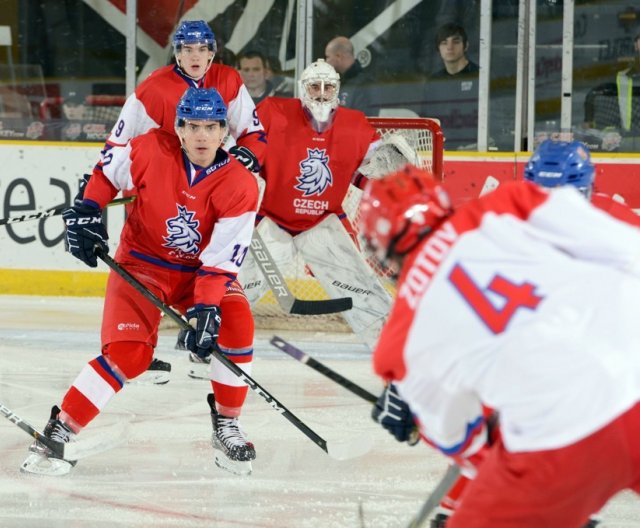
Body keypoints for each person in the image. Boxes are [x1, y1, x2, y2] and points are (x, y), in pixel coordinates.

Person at [359, 164, 640, 527]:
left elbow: (463, 441)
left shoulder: (399, 343)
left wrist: (420, 422)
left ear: (380, 245)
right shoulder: (510, 201)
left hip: (560, 440)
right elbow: (628, 250)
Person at [21, 87, 260, 478]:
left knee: (234, 322)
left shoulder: (240, 184)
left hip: (199, 274)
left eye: (212, 127)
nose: (202, 135)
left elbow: (219, 264)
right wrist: (87, 210)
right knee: (128, 354)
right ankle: (60, 427)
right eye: (193, 126)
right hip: (141, 265)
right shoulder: (148, 148)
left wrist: (206, 309)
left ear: (224, 133)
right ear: (179, 129)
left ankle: (227, 423)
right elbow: (103, 174)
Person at [102, 19, 267, 382]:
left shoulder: (228, 81)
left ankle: (199, 330)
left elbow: (253, 133)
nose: (195, 56)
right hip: (161, 184)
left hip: (212, 186)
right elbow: (117, 145)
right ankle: (139, 346)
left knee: (208, 260)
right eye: (187, 49)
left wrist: (246, 158)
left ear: (212, 52)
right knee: (158, 264)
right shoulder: (153, 88)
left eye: (202, 49)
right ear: (177, 52)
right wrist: (99, 184)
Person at [238, 59, 398, 349]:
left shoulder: (355, 125)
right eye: (315, 86)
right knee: (237, 287)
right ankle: (210, 345)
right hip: (273, 221)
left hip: (323, 223)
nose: (322, 93)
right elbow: (245, 155)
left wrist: (396, 180)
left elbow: (370, 177)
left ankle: (392, 352)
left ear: (338, 90)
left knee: (362, 290)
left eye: (329, 87)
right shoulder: (273, 113)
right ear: (302, 89)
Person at [422, 23, 480, 150]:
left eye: (456, 42)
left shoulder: (480, 77)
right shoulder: (434, 82)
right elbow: (427, 121)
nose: (449, 47)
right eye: (444, 43)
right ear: (438, 49)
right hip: (443, 150)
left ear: (466, 46)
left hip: (476, 150)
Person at [324, 36, 373, 114]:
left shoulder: (364, 85)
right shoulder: (340, 82)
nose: (326, 62)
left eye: (328, 57)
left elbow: (362, 120)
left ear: (338, 56)